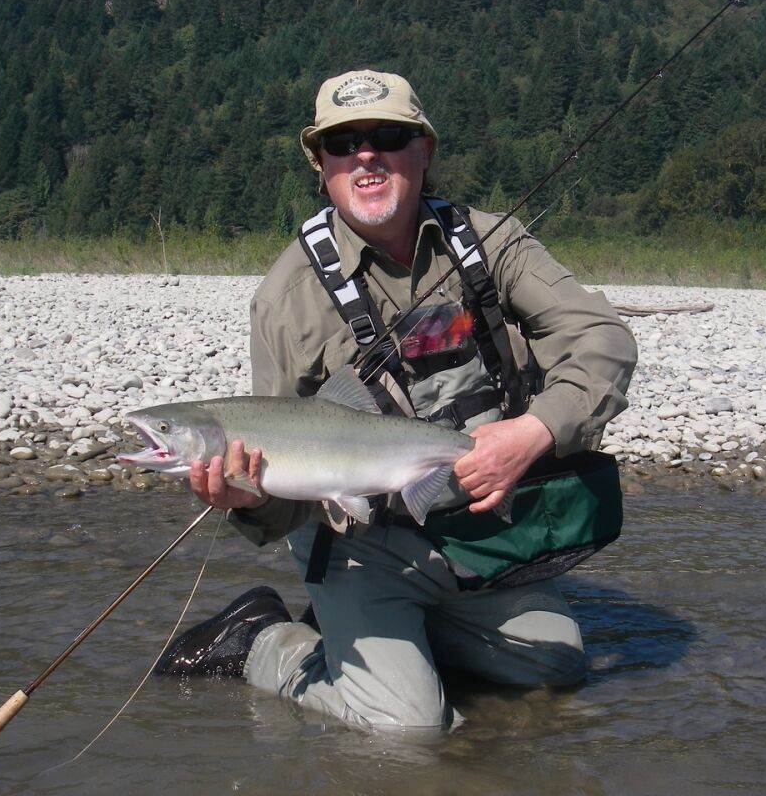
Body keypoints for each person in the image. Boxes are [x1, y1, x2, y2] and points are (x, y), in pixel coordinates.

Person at [154, 70, 637, 730]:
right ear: (320, 163)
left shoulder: (491, 243)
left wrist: (535, 433)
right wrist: (248, 500)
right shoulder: (285, 300)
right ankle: (262, 640)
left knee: (555, 667)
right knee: (411, 731)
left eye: (386, 136)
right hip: (361, 545)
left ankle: (405, 646)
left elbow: (604, 340)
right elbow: (283, 506)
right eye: (342, 143)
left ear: (424, 149)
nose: (365, 156)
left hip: (475, 532)